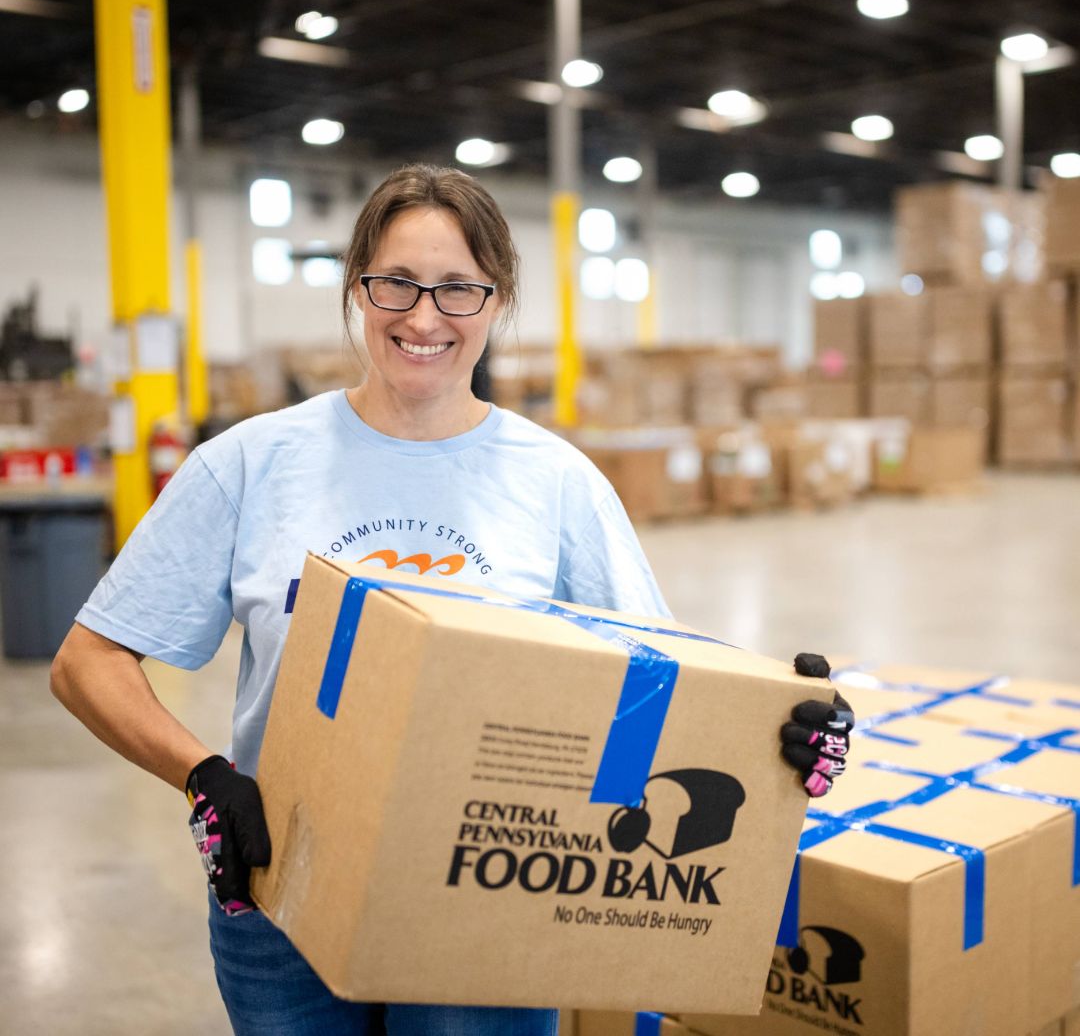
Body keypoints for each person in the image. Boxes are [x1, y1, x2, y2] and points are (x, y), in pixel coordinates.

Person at [51, 164, 853, 1036]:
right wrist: (205, 777)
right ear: (358, 286)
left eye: (459, 290)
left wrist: (773, 726)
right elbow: (87, 662)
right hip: (283, 887)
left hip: (492, 892)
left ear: (498, 300)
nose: (423, 317)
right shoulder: (250, 463)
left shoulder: (556, 485)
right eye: (395, 282)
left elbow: (657, 685)